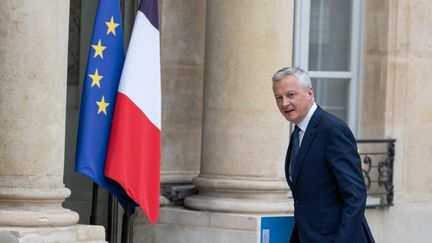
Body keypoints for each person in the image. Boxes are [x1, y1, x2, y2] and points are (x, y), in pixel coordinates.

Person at [272, 66, 375, 243]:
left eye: (290, 95)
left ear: (309, 93)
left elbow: (355, 195)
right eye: (278, 98)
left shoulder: (332, 129)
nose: (284, 103)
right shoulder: (297, 133)